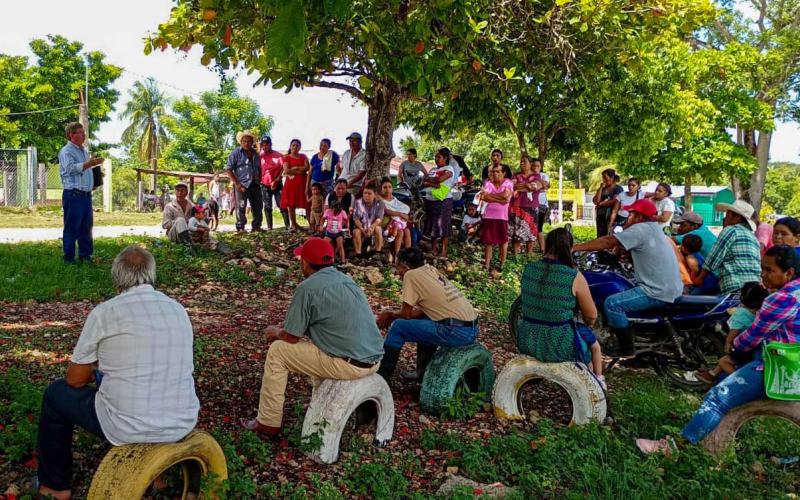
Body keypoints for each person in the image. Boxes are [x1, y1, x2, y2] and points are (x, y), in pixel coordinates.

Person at [34, 246, 199, 500]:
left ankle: (55, 487)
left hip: (126, 426)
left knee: (56, 395)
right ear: (152, 275)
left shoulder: (106, 312)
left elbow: (75, 380)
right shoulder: (177, 309)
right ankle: (160, 478)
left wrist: (92, 373)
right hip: (182, 421)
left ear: (116, 278)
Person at [636, 245, 799, 455]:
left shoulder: (780, 299)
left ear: (789, 273)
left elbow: (751, 338)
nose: (763, 275)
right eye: (763, 269)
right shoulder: (795, 291)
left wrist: (733, 347)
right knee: (723, 382)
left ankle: (675, 448)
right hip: (790, 362)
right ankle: (708, 440)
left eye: (769, 270)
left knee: (717, 397)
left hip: (776, 368)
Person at [241, 238, 384, 436]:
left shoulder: (307, 288)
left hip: (349, 365)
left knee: (278, 351)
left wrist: (275, 332)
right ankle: (320, 400)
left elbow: (291, 337)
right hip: (374, 360)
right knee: (318, 345)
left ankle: (268, 421)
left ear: (305, 263)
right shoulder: (347, 280)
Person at [574, 199, 683, 358]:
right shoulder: (654, 229)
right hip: (670, 286)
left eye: (631, 213)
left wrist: (575, 247)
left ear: (639, 216)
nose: (627, 216)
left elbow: (608, 241)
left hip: (656, 291)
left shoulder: (640, 229)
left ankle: (626, 349)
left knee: (612, 304)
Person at [376, 247, 479, 383]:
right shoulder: (429, 269)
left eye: (398, 267)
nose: (398, 272)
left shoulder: (411, 275)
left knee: (398, 327)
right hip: (471, 328)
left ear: (406, 266)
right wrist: (393, 314)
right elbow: (423, 312)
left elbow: (406, 314)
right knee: (423, 320)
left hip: (455, 330)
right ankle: (422, 374)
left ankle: (382, 378)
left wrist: (390, 315)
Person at [517, 228, 605, 386]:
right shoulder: (573, 275)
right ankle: (596, 385)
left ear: (547, 246)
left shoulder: (529, 269)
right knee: (588, 353)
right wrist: (588, 324)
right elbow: (591, 315)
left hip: (526, 337)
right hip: (560, 342)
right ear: (570, 248)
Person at [695, 282, 769, 384]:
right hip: (756, 347)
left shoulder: (741, 313)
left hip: (743, 347)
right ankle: (711, 374)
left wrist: (728, 343)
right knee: (726, 360)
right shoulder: (762, 312)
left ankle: (742, 381)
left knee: (723, 361)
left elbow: (733, 333)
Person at [691, 200, 762, 296]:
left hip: (734, 287)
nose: (724, 218)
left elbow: (713, 259)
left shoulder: (731, 230)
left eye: (728, 215)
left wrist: (699, 278)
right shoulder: (753, 237)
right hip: (754, 290)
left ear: (736, 217)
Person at [58, 122, 103, 263]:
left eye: (84, 133)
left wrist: (93, 181)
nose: (84, 135)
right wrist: (89, 163)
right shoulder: (66, 151)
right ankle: (69, 257)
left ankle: (86, 255)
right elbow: (70, 169)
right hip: (74, 194)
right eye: (81, 133)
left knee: (86, 227)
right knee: (72, 227)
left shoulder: (83, 151)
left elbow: (85, 171)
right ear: (72, 135)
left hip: (85, 195)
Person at [226, 130, 263, 233]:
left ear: (252, 142)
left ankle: (256, 226)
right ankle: (240, 227)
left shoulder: (256, 154)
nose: (247, 143)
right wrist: (237, 184)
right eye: (244, 141)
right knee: (241, 206)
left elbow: (259, 168)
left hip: (255, 183)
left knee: (258, 206)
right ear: (241, 142)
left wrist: (259, 179)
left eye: (249, 141)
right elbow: (228, 169)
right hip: (242, 184)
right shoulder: (236, 153)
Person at [423, 147, 458, 258]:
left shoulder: (449, 169)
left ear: (445, 158)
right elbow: (426, 180)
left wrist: (428, 181)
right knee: (433, 225)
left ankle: (443, 251)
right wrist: (429, 181)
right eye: (435, 157)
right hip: (431, 200)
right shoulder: (434, 169)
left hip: (444, 201)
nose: (436, 159)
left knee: (444, 225)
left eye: (439, 157)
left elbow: (439, 180)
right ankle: (433, 249)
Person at [479, 164, 514, 272]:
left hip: (502, 217)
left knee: (502, 241)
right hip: (488, 215)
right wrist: (500, 199)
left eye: (498, 171)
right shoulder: (488, 183)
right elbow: (484, 197)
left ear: (504, 173)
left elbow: (506, 196)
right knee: (488, 241)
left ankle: (502, 264)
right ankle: (487, 264)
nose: (495, 174)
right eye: (493, 171)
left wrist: (491, 197)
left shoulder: (508, 182)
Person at [509, 155, 541, 255]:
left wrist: (521, 187)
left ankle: (529, 255)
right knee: (516, 232)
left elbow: (534, 187)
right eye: (521, 161)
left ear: (530, 164)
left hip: (532, 206)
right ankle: (515, 255)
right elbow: (512, 186)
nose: (522, 163)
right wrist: (526, 186)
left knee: (531, 231)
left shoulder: (536, 176)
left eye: (524, 161)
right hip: (516, 206)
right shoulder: (516, 175)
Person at [259, 135, 290, 230]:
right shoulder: (260, 156)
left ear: (270, 144)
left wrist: (277, 179)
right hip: (264, 184)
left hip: (277, 184)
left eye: (267, 144)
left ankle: (287, 226)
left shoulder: (278, 155)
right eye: (263, 145)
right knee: (267, 206)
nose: (265, 147)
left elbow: (283, 169)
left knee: (282, 204)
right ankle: (269, 227)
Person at [279, 139, 311, 232]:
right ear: (290, 146)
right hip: (291, 185)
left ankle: (311, 225)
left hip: (303, 184)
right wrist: (300, 170)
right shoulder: (287, 157)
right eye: (293, 145)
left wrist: (295, 168)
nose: (295, 147)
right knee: (291, 205)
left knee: (307, 204)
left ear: (300, 147)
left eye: (297, 145)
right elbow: (287, 170)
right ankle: (294, 225)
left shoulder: (303, 156)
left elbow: (307, 168)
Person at [379, 177, 412, 262]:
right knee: (400, 232)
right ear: (381, 189)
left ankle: (408, 255)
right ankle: (396, 255)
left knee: (407, 231)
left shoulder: (394, 199)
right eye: (385, 187)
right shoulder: (380, 199)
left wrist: (400, 214)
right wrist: (400, 214)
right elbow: (387, 211)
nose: (387, 189)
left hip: (399, 223)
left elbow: (406, 214)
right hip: (387, 225)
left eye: (389, 187)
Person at [353, 182, 385, 256]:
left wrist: (371, 227)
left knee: (378, 229)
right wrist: (362, 229)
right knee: (356, 232)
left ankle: (378, 253)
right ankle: (358, 255)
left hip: (373, 227)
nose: (366, 195)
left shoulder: (380, 203)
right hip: (362, 227)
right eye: (365, 193)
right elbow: (356, 219)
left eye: (369, 193)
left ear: (375, 195)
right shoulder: (358, 202)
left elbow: (379, 218)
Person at [592, 168, 623, 238]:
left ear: (612, 177)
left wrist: (602, 204)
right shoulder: (602, 188)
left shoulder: (618, 188)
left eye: (605, 178)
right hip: (600, 216)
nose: (603, 180)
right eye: (603, 178)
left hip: (611, 216)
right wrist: (600, 189)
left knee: (609, 234)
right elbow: (596, 201)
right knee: (600, 235)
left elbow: (615, 201)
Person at [530, 158, 550, 251]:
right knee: (530, 227)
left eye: (537, 166)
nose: (535, 168)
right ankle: (530, 249)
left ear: (540, 167)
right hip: (530, 205)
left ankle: (542, 249)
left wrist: (538, 177)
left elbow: (545, 187)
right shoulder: (528, 176)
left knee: (539, 228)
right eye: (533, 166)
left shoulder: (544, 175)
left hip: (541, 204)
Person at [322, 199, 348, 263]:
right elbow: (323, 218)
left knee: (340, 246)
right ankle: (324, 259)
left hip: (338, 232)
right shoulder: (328, 211)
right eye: (335, 208)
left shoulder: (342, 212)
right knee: (324, 244)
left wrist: (345, 226)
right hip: (329, 232)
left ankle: (342, 260)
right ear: (332, 207)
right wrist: (322, 225)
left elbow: (346, 219)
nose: (336, 210)